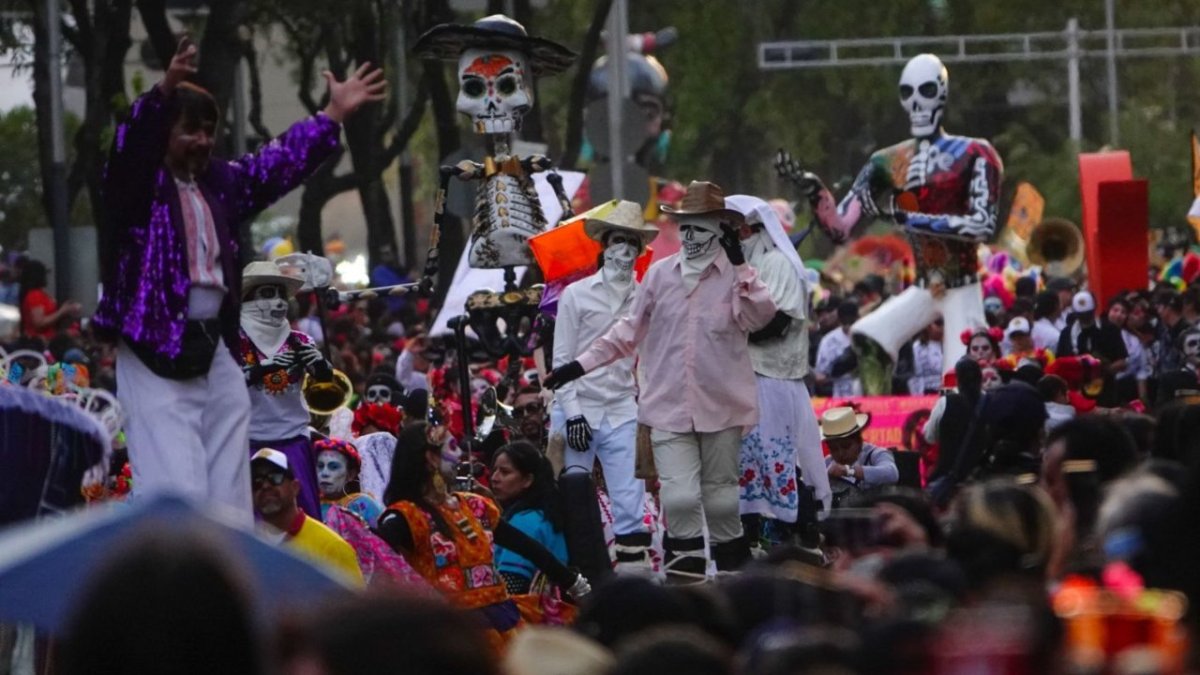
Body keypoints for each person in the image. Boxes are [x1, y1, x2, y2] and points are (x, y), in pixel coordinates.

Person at [93, 37, 385, 521]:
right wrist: (164, 90)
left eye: (209, 130)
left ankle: (227, 570)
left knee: (229, 486)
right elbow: (130, 145)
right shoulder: (137, 185)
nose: (203, 141)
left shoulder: (218, 184)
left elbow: (271, 167)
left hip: (216, 345)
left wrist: (330, 117)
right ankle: (175, 578)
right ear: (165, 131)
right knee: (175, 485)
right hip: (152, 343)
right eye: (190, 130)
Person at [544, 180, 777, 575]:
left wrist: (739, 267)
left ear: (721, 230)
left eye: (699, 227)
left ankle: (732, 582)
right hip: (665, 408)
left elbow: (759, 318)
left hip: (721, 406)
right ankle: (683, 582)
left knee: (720, 502)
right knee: (679, 498)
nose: (689, 235)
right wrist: (577, 367)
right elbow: (625, 334)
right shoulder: (658, 277)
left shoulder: (738, 278)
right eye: (684, 226)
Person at [778, 53, 1001, 394]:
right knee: (869, 337)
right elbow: (840, 227)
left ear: (941, 94)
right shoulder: (888, 160)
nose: (916, 104)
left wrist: (910, 218)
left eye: (925, 91)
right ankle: (878, 427)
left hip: (962, 285)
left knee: (960, 383)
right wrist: (817, 192)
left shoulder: (974, 152)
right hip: (925, 286)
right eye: (907, 94)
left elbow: (983, 224)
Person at [375, 424, 589, 649]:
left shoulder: (475, 506)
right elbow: (373, 560)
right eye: (452, 446)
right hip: (452, 632)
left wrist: (575, 585)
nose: (459, 454)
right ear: (431, 458)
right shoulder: (406, 517)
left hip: (503, 619)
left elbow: (528, 548)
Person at [550, 199, 657, 570]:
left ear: (640, 251)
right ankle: (580, 571)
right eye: (617, 241)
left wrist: (648, 407)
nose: (624, 250)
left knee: (631, 498)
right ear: (604, 246)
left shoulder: (646, 296)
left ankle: (632, 572)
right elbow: (561, 361)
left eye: (632, 243)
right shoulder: (575, 295)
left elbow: (648, 356)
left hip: (622, 407)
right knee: (574, 493)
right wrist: (573, 415)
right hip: (577, 403)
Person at [725, 194, 832, 529]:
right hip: (746, 378)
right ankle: (755, 542)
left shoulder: (777, 264)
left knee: (779, 462)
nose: (737, 240)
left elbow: (778, 323)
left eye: (740, 232)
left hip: (771, 379)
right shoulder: (741, 269)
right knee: (746, 465)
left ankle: (801, 536)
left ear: (756, 231)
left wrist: (728, 337)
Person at [238, 260, 334, 517]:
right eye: (268, 294)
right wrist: (261, 369)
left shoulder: (301, 341)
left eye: (281, 294)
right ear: (246, 298)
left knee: (303, 521)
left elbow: (325, 391)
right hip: (248, 444)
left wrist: (322, 369)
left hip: (294, 442)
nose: (278, 303)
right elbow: (222, 387)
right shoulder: (231, 341)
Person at [250, 448, 365, 586]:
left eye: (275, 477)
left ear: (295, 487)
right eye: (257, 481)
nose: (266, 486)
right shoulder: (247, 548)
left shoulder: (332, 547)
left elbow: (354, 605)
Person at [490, 441, 568, 595]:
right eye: (494, 470)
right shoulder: (542, 514)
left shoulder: (524, 522)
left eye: (504, 472)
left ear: (527, 480)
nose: (494, 478)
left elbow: (511, 587)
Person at [1056, 291, 1126, 406]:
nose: (1084, 318)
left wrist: (1103, 369)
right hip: (1077, 393)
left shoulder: (1110, 329)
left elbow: (1122, 362)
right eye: (1081, 314)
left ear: (1094, 309)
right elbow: (1060, 363)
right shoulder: (1067, 333)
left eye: (1087, 314)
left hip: (1106, 392)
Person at [820, 407, 900, 489]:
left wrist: (850, 471)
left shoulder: (876, 454)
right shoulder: (827, 463)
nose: (841, 453)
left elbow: (891, 473)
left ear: (858, 441)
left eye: (846, 446)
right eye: (834, 449)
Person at [315, 437, 383, 526]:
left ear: (351, 474)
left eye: (333, 467)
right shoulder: (311, 505)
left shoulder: (364, 505)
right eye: (320, 466)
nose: (324, 473)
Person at [18, 259, 81, 344]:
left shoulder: (41, 294)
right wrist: (62, 311)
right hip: (40, 341)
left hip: (50, 338)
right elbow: (39, 322)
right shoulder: (34, 295)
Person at [1106, 295, 1150, 404]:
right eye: (1115, 310)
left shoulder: (1134, 340)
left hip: (1126, 389)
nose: (1118, 315)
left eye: (1123, 312)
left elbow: (1141, 370)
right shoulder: (1096, 334)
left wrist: (1143, 400)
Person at [814, 301, 863, 397]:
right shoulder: (829, 341)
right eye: (845, 321)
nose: (848, 326)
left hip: (864, 393)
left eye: (851, 321)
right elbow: (820, 374)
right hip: (840, 394)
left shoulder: (866, 337)